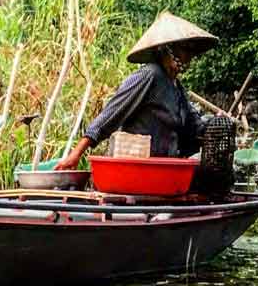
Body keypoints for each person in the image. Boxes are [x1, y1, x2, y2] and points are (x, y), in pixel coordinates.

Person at [56, 11, 216, 170]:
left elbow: (193, 125)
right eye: (185, 49)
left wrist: (216, 125)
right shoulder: (149, 75)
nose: (189, 56)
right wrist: (75, 154)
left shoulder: (177, 87)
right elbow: (111, 114)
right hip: (138, 168)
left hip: (165, 169)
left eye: (191, 51)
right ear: (167, 49)